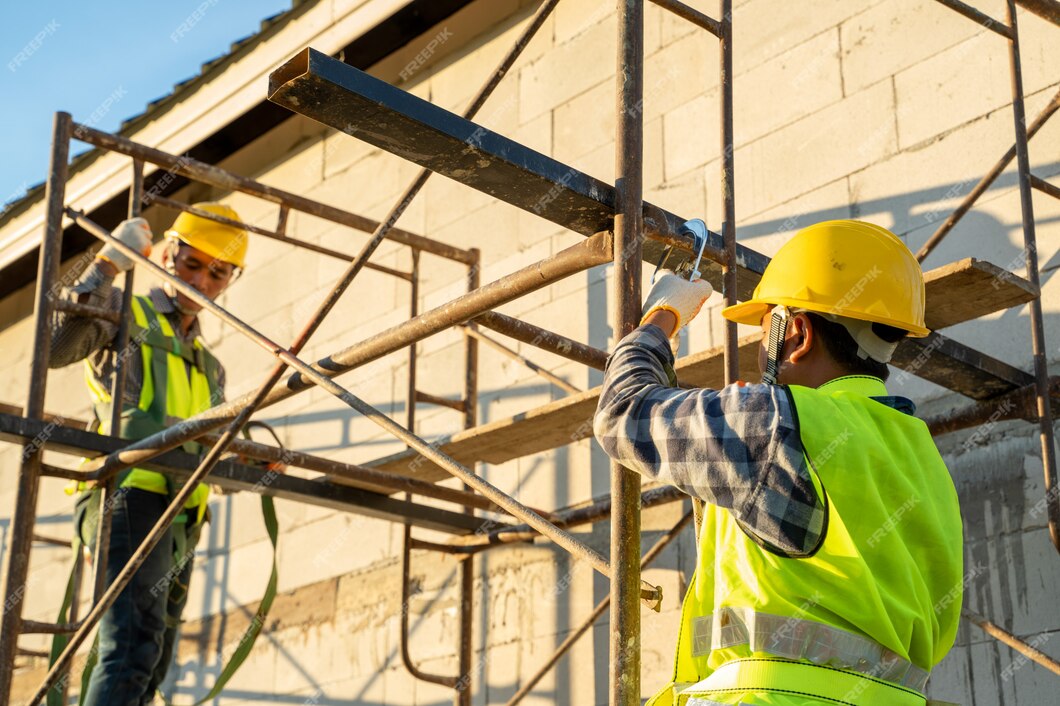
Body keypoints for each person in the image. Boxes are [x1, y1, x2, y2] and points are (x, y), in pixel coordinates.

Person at [593, 220, 963, 706]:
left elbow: (622, 415)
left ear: (800, 334)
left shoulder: (776, 423)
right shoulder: (920, 454)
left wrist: (660, 320)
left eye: (767, 332)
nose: (761, 352)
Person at [51, 203, 247, 706]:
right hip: (127, 493)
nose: (202, 280)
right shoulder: (125, 312)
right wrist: (108, 263)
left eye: (218, 273)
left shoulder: (211, 366)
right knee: (132, 648)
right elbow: (54, 348)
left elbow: (210, 446)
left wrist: (250, 458)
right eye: (192, 264)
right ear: (165, 254)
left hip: (182, 512)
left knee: (154, 658)